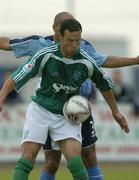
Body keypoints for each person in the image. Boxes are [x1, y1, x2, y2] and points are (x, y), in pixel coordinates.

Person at [0, 11, 135, 180]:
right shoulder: (44, 52)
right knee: (30, 157)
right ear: (59, 36)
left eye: (78, 41)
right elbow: (16, 76)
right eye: (70, 40)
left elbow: (104, 84)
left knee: (77, 162)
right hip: (41, 109)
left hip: (68, 113)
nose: (75, 45)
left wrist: (116, 112)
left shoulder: (86, 59)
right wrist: (2, 96)